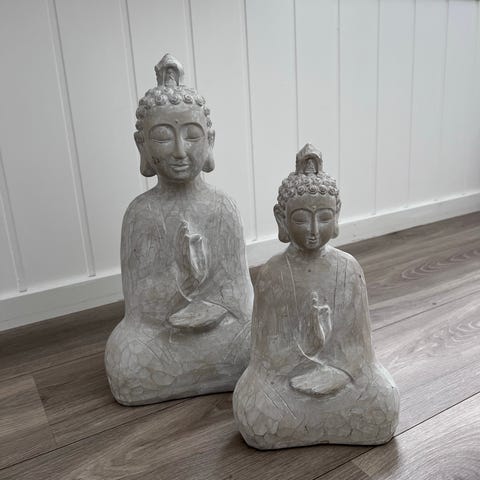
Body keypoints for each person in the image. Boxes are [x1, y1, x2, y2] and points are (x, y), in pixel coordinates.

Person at [105, 54, 253, 405]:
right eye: (162, 137)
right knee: (126, 358)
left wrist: (212, 306)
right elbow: (139, 309)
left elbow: (239, 295)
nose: (180, 150)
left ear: (210, 140)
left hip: (220, 329)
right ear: (142, 146)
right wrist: (186, 278)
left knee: (256, 338)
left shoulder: (223, 208)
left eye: (192, 135)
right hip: (163, 333)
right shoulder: (140, 215)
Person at [233, 144, 399, 449]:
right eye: (300, 219)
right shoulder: (272, 273)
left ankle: (314, 421)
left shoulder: (348, 269)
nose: (313, 229)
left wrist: (338, 373)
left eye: (323, 217)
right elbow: (265, 357)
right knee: (252, 408)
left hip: (340, 378)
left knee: (384, 402)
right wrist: (306, 355)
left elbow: (360, 353)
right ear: (282, 219)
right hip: (289, 381)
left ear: (337, 214)